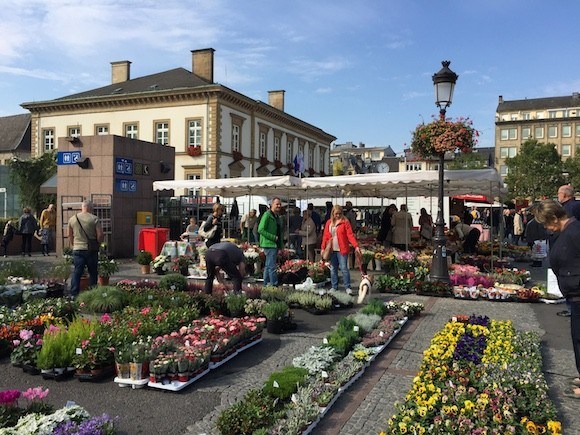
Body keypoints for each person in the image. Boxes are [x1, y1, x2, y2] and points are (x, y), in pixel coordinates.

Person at [532, 199, 580, 399]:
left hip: (578, 292)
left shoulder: (575, 231)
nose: (545, 228)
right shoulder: (570, 230)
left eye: (545, 223)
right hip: (574, 293)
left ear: (553, 218)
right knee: (577, 337)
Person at [321, 204, 361, 295]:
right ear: (333, 213)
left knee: (344, 268)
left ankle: (347, 287)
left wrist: (356, 246)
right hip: (332, 249)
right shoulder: (328, 223)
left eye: (339, 213)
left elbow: (350, 235)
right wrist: (323, 248)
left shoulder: (345, 222)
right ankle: (334, 286)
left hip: (342, 249)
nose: (338, 215)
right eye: (336, 214)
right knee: (333, 269)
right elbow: (325, 236)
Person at [68, 200, 104, 299]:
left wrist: (74, 245)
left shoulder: (72, 219)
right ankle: (92, 293)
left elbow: (70, 235)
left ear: (82, 207)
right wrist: (99, 243)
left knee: (77, 272)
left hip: (77, 248)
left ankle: (73, 294)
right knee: (92, 272)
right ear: (91, 208)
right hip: (91, 250)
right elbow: (100, 235)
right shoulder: (94, 219)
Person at [557, 184, 580, 317]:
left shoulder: (569, 208)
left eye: (559, 194)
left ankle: (572, 310)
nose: (558, 196)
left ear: (565, 195)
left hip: (570, 250)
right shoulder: (575, 205)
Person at [258, 197, 283, 286]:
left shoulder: (276, 216)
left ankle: (267, 285)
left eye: (280, 204)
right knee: (272, 267)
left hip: (273, 244)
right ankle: (273, 285)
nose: (279, 206)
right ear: (271, 205)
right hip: (269, 244)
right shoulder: (267, 215)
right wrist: (273, 237)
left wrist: (281, 245)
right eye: (277, 204)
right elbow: (260, 229)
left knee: (268, 266)